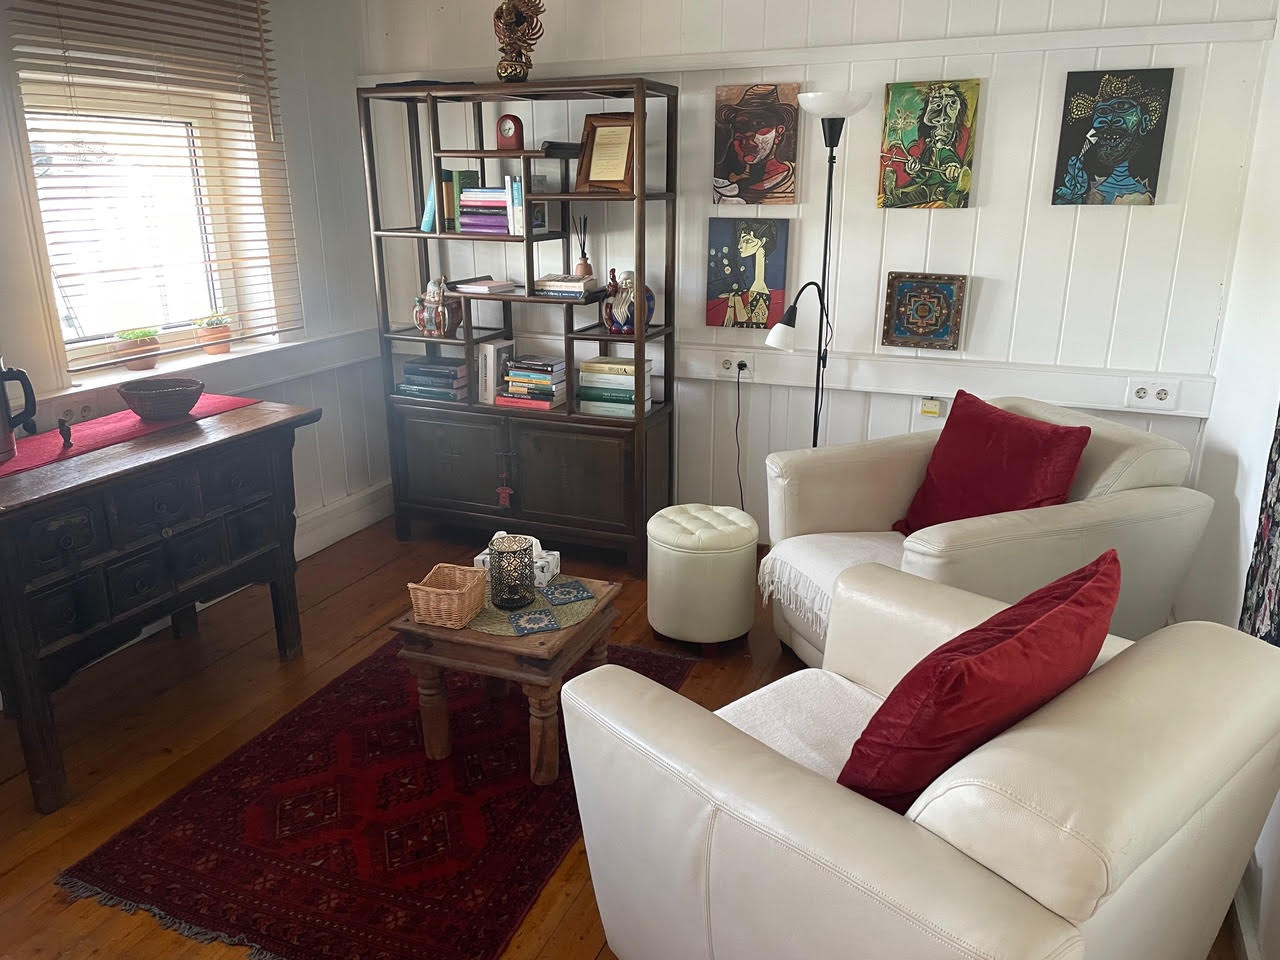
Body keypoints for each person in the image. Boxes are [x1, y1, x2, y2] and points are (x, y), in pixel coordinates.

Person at [1054, 73, 1167, 205]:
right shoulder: (1085, 192)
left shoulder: (1147, 198)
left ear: (1144, 122)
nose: (1109, 119)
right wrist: (1072, 197)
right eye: (1102, 111)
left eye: (1122, 107)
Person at [713, 84, 798, 204]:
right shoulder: (723, 185)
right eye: (741, 125)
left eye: (759, 124)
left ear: (778, 133)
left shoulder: (792, 179)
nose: (748, 133)